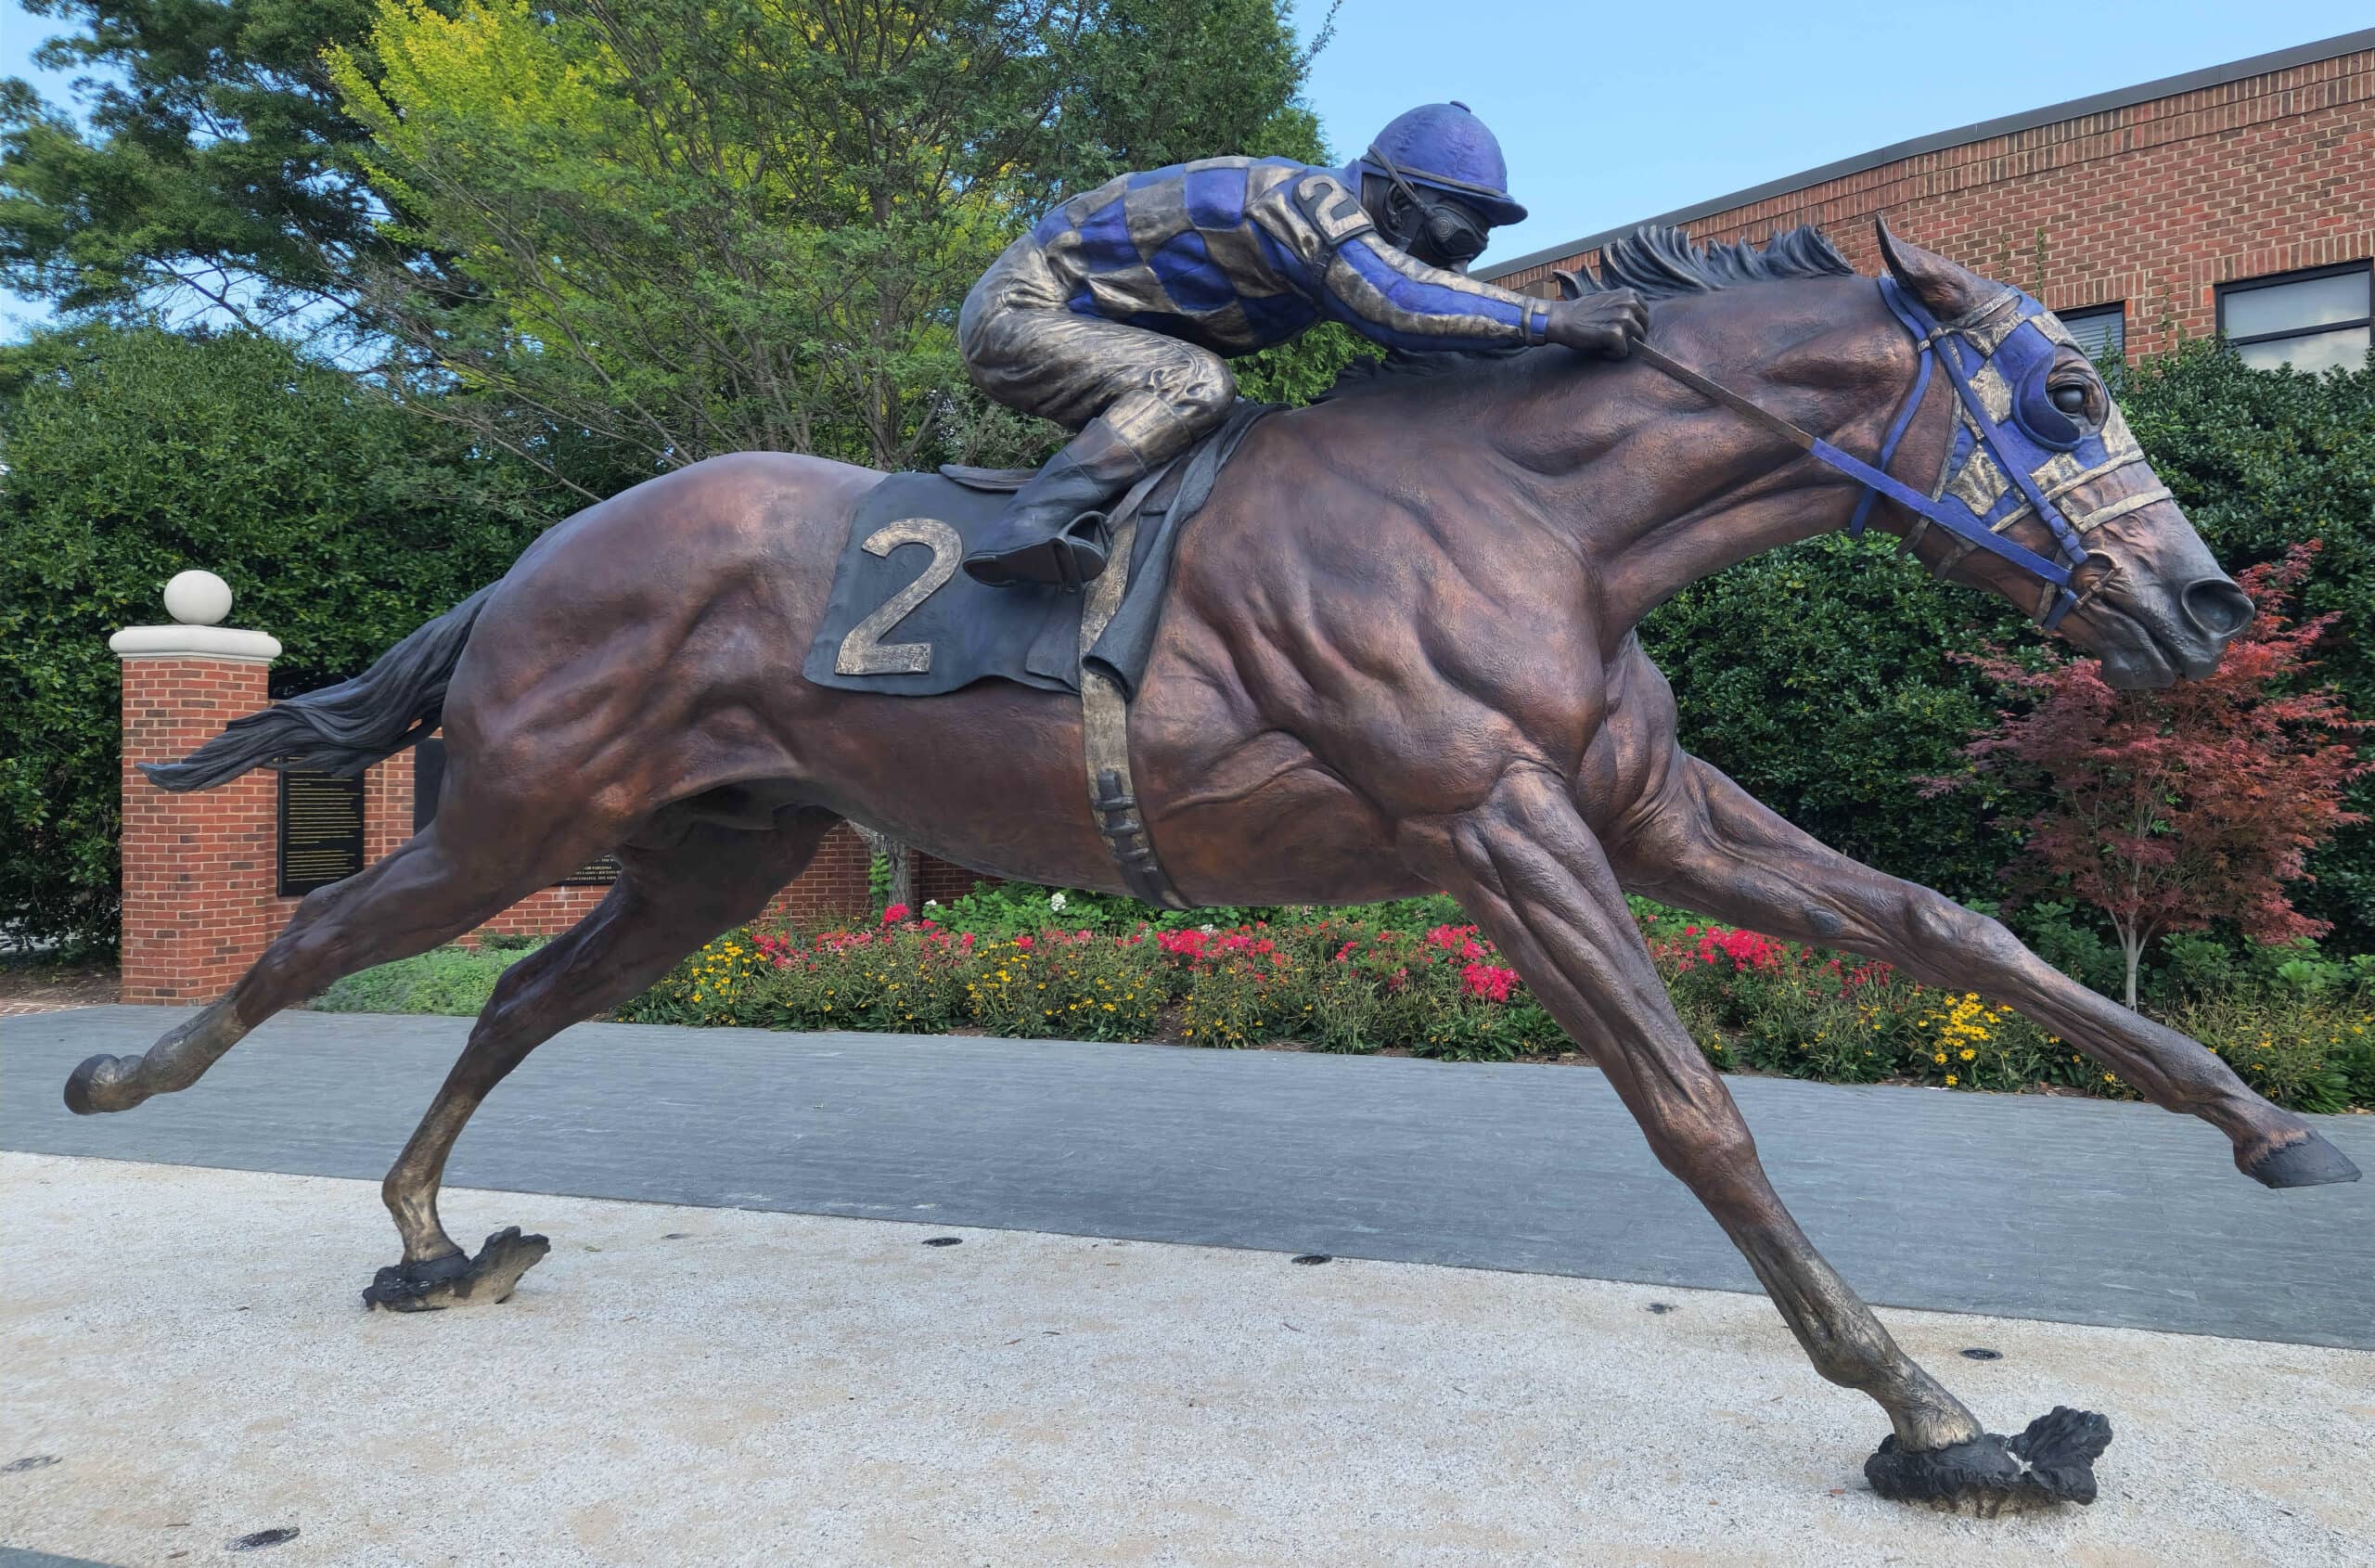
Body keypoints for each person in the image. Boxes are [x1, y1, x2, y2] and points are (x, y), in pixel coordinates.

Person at [956, 100, 1649, 589]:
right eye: (1452, 239)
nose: (1456, 266)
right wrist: (1553, 320)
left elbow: (1424, 318)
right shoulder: (1303, 202)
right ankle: (1029, 526)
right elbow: (1398, 299)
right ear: (1398, 204)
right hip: (1022, 311)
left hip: (1112, 330)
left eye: (1473, 249)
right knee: (1197, 384)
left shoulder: (1330, 233)